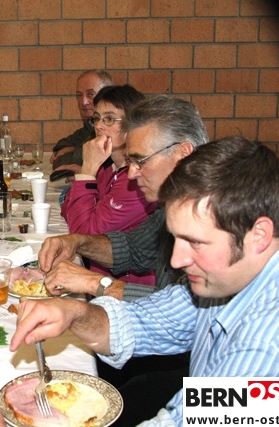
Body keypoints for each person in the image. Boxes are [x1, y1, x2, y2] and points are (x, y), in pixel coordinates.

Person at [0, 136, 279, 426]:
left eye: (196, 243)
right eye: (176, 239)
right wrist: (75, 314)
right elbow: (154, 320)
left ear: (258, 235)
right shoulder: (231, 279)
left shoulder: (270, 349)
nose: (177, 260)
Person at [42, 94, 209, 425]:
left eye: (140, 161)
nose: (131, 174)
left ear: (183, 152)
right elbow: (136, 250)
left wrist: (95, 283)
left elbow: (233, 406)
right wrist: (78, 243)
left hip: (185, 369)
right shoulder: (179, 204)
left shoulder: (214, 215)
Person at [60, 84, 156, 286]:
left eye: (109, 119)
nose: (99, 126)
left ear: (133, 126)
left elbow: (83, 236)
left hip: (126, 289)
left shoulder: (136, 182)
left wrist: (87, 170)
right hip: (101, 276)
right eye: (96, 118)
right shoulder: (108, 168)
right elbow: (67, 210)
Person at [50, 69, 114, 171]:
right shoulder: (90, 124)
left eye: (91, 94)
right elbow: (63, 143)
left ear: (107, 96)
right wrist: (69, 149)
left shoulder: (112, 128)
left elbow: (62, 162)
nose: (83, 102)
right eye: (79, 95)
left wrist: (74, 150)